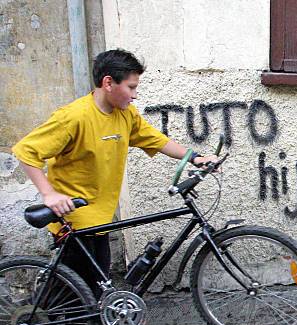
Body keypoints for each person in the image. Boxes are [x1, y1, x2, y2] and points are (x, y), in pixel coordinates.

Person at [11, 49, 217, 298]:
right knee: (75, 299)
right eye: (130, 87)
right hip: (76, 219)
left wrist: (195, 157)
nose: (134, 95)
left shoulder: (124, 114)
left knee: (92, 291)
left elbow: (154, 139)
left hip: (101, 218)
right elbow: (25, 151)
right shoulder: (73, 117)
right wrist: (49, 194)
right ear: (108, 82)